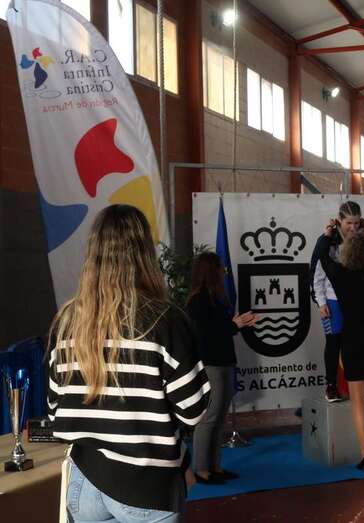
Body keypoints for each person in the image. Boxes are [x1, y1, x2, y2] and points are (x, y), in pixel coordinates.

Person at [47, 204, 209, 523]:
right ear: (144, 253)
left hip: (83, 485)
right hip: (146, 487)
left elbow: (54, 411)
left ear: (93, 253)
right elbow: (193, 410)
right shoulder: (166, 321)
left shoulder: (66, 322)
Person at [316, 219, 364, 470]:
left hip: (353, 339)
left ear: (347, 252)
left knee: (358, 401)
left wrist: (326, 236)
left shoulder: (340, 274)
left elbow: (323, 258)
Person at [186, 252, 256, 485]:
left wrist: (239, 323)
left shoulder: (215, 298)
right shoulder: (197, 301)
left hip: (224, 360)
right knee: (210, 416)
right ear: (211, 272)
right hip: (211, 363)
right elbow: (206, 334)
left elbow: (222, 328)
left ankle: (215, 466)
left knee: (220, 417)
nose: (223, 272)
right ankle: (201, 469)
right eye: (220, 269)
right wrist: (233, 324)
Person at [309, 201, 362, 402]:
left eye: (356, 223)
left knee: (355, 343)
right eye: (349, 223)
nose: (353, 228)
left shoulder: (361, 240)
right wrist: (321, 302)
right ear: (339, 220)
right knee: (334, 343)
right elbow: (317, 275)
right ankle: (331, 386)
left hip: (355, 302)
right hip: (332, 301)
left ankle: (357, 384)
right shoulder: (328, 241)